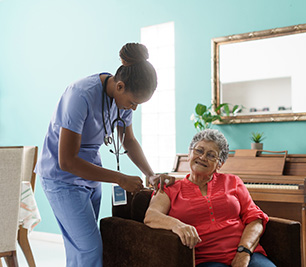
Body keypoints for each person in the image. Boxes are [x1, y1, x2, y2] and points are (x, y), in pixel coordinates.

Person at [34, 43, 174, 267]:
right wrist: (120, 178)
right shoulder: (80, 95)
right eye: (133, 102)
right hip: (61, 177)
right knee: (90, 248)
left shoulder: (122, 102)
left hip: (91, 175)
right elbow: (67, 160)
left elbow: (128, 140)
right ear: (120, 86)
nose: (133, 109)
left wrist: (150, 173)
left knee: (80, 250)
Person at [144, 129, 276, 267]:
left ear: (220, 164)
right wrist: (178, 225)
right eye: (199, 151)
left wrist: (243, 252)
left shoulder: (233, 181)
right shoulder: (170, 188)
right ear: (189, 154)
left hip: (245, 253)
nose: (202, 157)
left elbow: (255, 219)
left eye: (211, 155)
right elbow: (151, 216)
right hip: (205, 260)